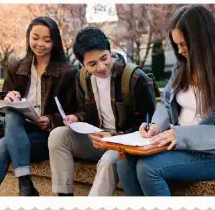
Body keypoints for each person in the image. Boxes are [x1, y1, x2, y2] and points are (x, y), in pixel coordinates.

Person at [116, 5, 215, 196]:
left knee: (148, 168)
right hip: (178, 143)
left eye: (183, 44)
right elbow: (166, 102)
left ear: (202, 40)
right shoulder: (183, 66)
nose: (180, 51)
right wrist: (156, 125)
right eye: (176, 45)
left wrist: (180, 135)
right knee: (123, 161)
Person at [48, 27, 157, 196]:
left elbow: (148, 126)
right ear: (82, 64)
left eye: (104, 58)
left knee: (107, 161)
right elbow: (87, 111)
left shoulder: (135, 78)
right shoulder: (83, 77)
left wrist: (113, 138)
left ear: (110, 50)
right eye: (91, 64)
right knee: (58, 135)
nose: (101, 67)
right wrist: (76, 117)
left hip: (125, 145)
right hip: (98, 139)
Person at [0, 16, 80, 196]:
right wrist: (8, 97)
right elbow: (1, 100)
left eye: (47, 40)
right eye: (35, 38)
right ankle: (25, 184)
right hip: (19, 129)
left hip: (48, 136)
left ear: (54, 42)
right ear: (28, 37)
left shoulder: (68, 72)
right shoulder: (16, 67)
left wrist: (50, 120)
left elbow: (77, 112)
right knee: (11, 113)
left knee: (2, 148)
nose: (40, 43)